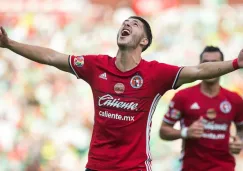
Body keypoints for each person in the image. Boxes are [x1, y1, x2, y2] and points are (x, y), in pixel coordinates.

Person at [0, 16, 243, 171]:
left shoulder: (156, 74)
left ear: (144, 41)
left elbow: (200, 70)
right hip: (96, 166)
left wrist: (235, 63)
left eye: (134, 24)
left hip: (134, 167)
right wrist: (10, 44)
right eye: (124, 23)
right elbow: (53, 57)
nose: (126, 24)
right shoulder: (96, 66)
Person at [159, 46, 243, 171]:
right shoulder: (183, 97)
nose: (211, 68)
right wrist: (185, 132)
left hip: (225, 167)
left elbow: (241, 129)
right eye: (206, 63)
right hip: (191, 167)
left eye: (215, 64)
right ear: (200, 65)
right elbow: (164, 131)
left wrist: (239, 141)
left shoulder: (234, 99)